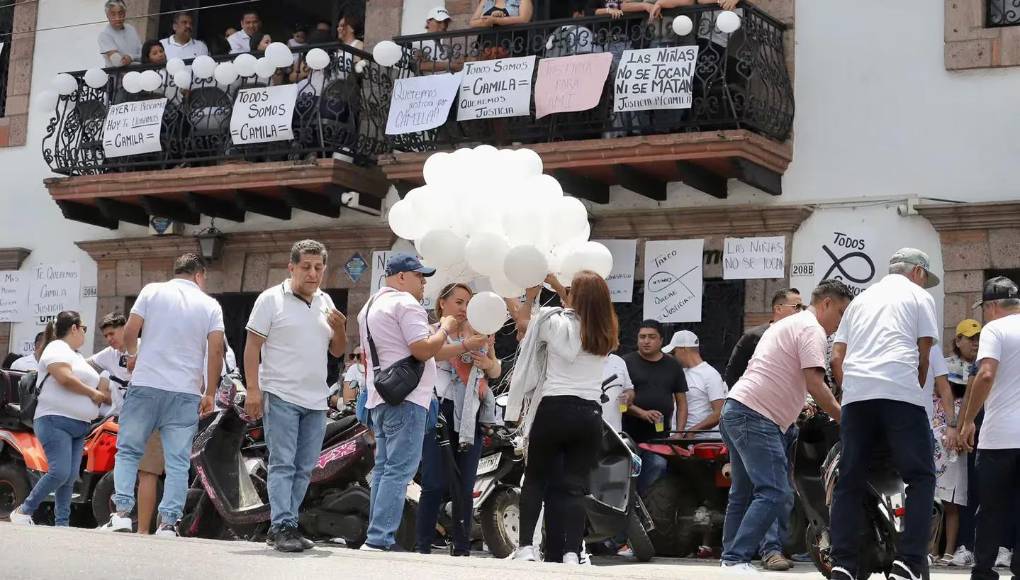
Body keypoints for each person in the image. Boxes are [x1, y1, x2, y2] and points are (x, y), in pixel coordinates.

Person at [719, 280, 849, 574]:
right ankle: (736, 559)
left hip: (738, 408)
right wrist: (846, 419)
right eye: (840, 313)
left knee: (743, 492)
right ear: (826, 304)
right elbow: (816, 384)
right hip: (756, 416)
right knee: (776, 491)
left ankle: (729, 557)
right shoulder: (810, 329)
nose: (840, 323)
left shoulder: (789, 324)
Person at [829, 248, 942, 580]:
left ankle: (843, 566)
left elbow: (837, 355)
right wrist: (911, 385)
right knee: (920, 477)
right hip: (899, 395)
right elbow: (924, 357)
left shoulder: (861, 300)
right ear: (918, 272)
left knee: (849, 481)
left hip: (857, 398)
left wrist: (853, 390)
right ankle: (908, 562)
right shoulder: (919, 297)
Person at [102, 253, 225, 537]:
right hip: (184, 391)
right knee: (178, 461)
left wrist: (133, 355)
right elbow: (215, 351)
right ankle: (168, 523)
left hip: (146, 384)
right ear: (199, 275)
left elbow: (131, 331)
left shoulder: (152, 291)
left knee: (129, 451)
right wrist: (210, 392)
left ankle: (121, 514)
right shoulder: (210, 305)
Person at [506, 270, 619, 564]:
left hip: (555, 407)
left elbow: (523, 324)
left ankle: (526, 548)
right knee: (575, 486)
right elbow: (584, 311)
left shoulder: (554, 323)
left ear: (574, 297)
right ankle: (572, 552)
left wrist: (532, 295)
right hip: (591, 413)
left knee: (535, 480)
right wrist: (559, 286)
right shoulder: (607, 328)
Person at [243, 240, 347, 553]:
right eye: (306, 267)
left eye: (318, 268)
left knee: (304, 467)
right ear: (291, 268)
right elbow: (252, 347)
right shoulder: (270, 299)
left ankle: (285, 525)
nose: (312, 273)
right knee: (283, 463)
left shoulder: (326, 301)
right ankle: (283, 524)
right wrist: (252, 389)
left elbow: (338, 350)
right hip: (281, 393)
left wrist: (341, 329)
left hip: (316, 400)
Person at [358, 253, 454, 552]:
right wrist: (446, 328)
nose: (424, 283)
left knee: (386, 469)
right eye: (419, 276)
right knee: (398, 471)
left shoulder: (369, 306)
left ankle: (376, 536)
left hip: (380, 397)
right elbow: (423, 349)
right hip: (408, 399)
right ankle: (379, 539)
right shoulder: (406, 303)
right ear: (402, 277)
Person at [416, 283, 501, 556]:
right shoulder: (432, 332)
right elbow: (432, 353)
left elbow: (496, 369)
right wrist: (464, 345)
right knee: (434, 482)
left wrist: (487, 363)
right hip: (439, 410)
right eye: (459, 302)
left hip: (470, 415)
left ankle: (462, 546)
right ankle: (423, 543)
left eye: (468, 303)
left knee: (465, 484)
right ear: (442, 303)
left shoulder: (481, 332)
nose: (465, 309)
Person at [10, 311, 111, 527]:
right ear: (74, 328)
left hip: (79, 425)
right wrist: (93, 394)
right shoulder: (56, 348)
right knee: (60, 471)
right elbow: (63, 377)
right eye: (83, 329)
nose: (84, 333)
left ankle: (62, 522)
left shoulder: (77, 355)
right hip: (55, 420)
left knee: (70, 476)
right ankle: (24, 510)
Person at [958, 276, 1020, 580]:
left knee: (991, 509)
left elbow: (984, 375)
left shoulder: (995, 329)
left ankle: (983, 571)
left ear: (994, 306)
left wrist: (969, 420)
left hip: (999, 438)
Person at [88, 313, 164, 535]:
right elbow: (85, 366)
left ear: (126, 329)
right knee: (128, 463)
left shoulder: (145, 347)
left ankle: (148, 521)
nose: (109, 339)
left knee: (149, 470)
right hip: (124, 419)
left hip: (149, 416)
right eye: (105, 335)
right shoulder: (108, 354)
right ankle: (125, 516)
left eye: (113, 333)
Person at [622, 320, 688, 495]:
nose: (646, 341)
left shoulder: (673, 365)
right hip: (627, 435)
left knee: (658, 468)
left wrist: (679, 433)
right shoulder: (626, 363)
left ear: (661, 340)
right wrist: (642, 413)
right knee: (626, 474)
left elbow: (681, 402)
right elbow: (619, 400)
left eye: (651, 337)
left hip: (659, 437)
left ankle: (643, 507)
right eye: (642, 337)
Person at [946, 319, 982, 567]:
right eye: (970, 338)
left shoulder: (987, 365)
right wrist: (956, 430)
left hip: (982, 434)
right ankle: (962, 546)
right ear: (957, 341)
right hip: (953, 440)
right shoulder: (948, 367)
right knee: (959, 496)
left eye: (978, 338)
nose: (975, 343)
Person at [724, 289, 803, 387]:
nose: (801, 312)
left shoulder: (802, 339)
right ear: (778, 309)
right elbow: (732, 373)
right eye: (797, 307)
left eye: (803, 308)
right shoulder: (753, 336)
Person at [663, 330, 726, 439]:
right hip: (677, 439)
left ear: (684, 349)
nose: (672, 357)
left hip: (702, 442)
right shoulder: (680, 372)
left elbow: (719, 412)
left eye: (674, 352)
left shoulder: (710, 374)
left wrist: (692, 431)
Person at [98, 0, 142, 67]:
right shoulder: (104, 35)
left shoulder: (131, 29)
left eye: (120, 13)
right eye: (113, 14)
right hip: (118, 76)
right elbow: (118, 62)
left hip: (139, 73)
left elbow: (143, 54)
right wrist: (135, 58)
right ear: (107, 16)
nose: (117, 18)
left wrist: (131, 57)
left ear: (125, 13)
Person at [602, 352, 635, 433]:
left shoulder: (618, 361)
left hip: (615, 433)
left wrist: (628, 396)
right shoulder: (578, 359)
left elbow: (629, 389)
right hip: (586, 434)